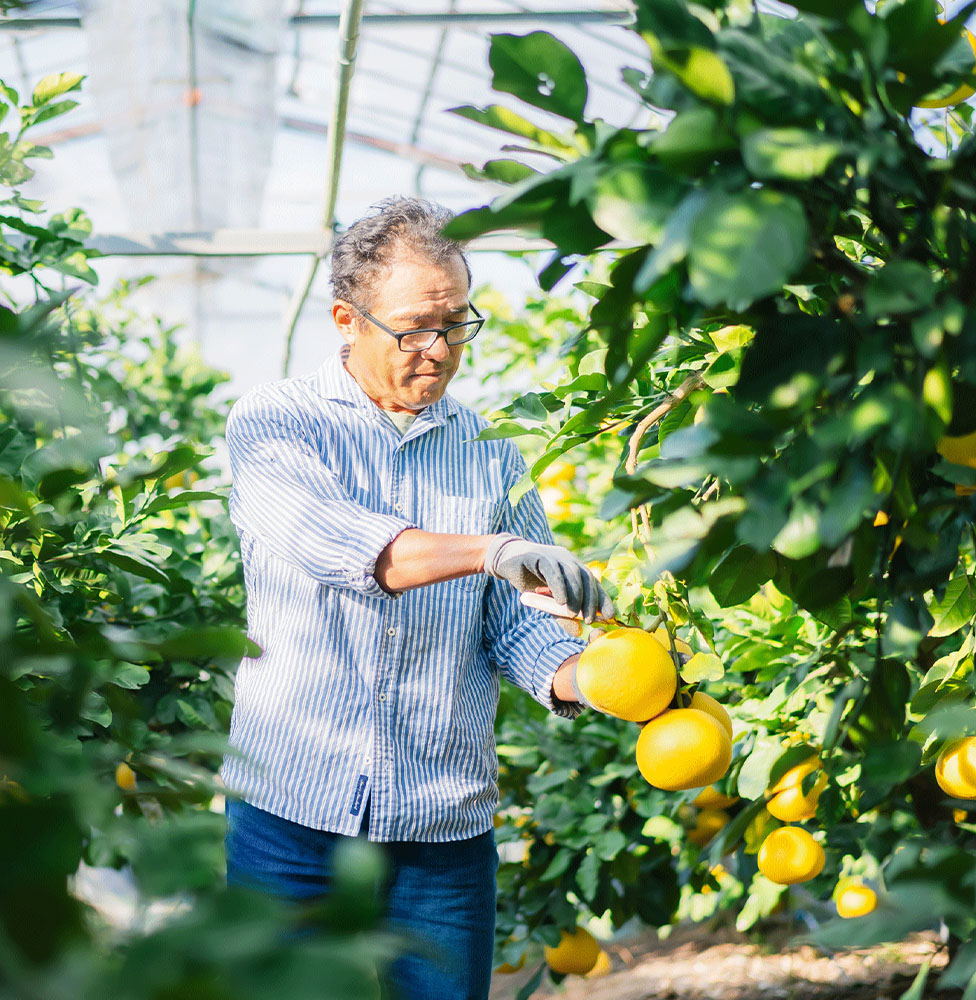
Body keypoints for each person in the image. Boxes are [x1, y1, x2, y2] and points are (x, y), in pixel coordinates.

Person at [220, 196, 611, 1000]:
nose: (437, 350)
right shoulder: (275, 424)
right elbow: (340, 547)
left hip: (441, 825)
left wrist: (603, 676)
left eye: (456, 325)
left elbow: (518, 629)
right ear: (345, 319)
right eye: (413, 328)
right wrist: (493, 550)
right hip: (292, 811)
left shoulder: (491, 453)